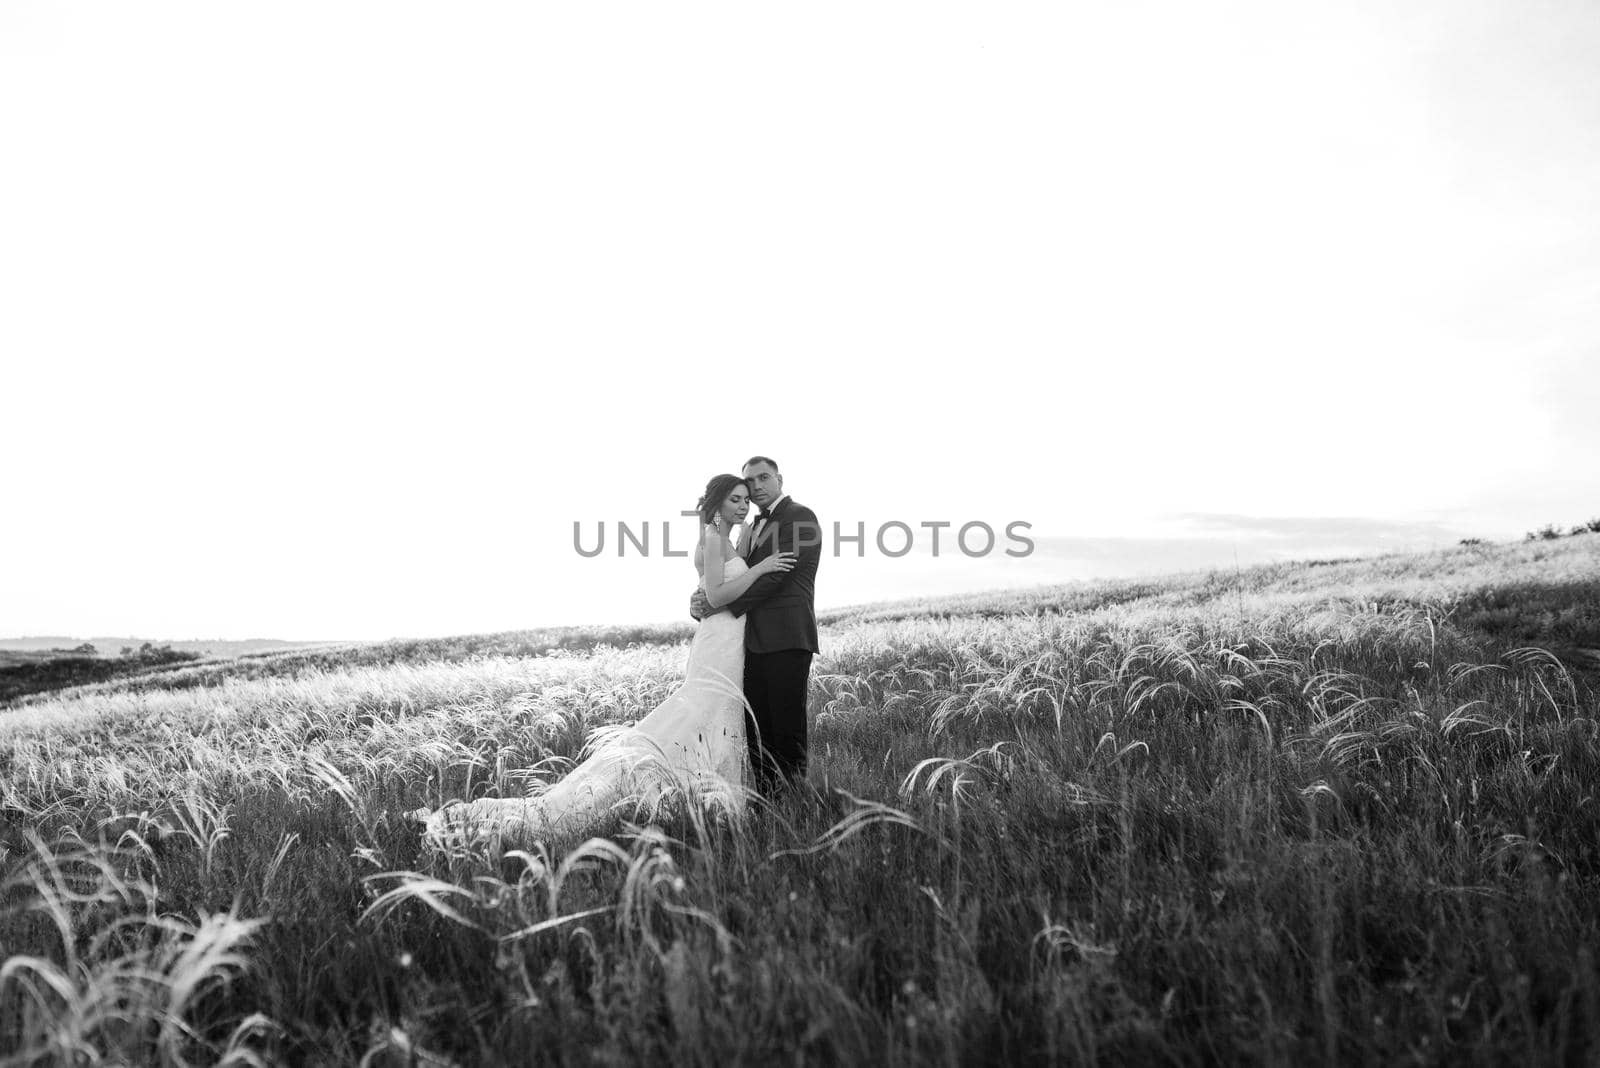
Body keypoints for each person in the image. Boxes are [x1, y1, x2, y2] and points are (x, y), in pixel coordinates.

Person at [413, 474, 795, 850]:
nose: (744, 505)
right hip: (718, 642)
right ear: (717, 503)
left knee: (716, 718)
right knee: (702, 714)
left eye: (746, 499)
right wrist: (760, 569)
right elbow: (715, 593)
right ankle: (682, 795)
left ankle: (710, 802)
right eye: (736, 499)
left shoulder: (725, 539)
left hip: (728, 640)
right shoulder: (713, 539)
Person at [690, 456, 820, 797]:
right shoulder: (744, 531)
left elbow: (778, 575)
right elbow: (721, 579)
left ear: (779, 479)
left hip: (786, 636)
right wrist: (705, 602)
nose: (756, 488)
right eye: (749, 485)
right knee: (755, 730)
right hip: (746, 642)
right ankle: (764, 800)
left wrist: (718, 604)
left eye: (764, 478)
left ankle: (793, 802)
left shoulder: (799, 517)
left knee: (786, 729)